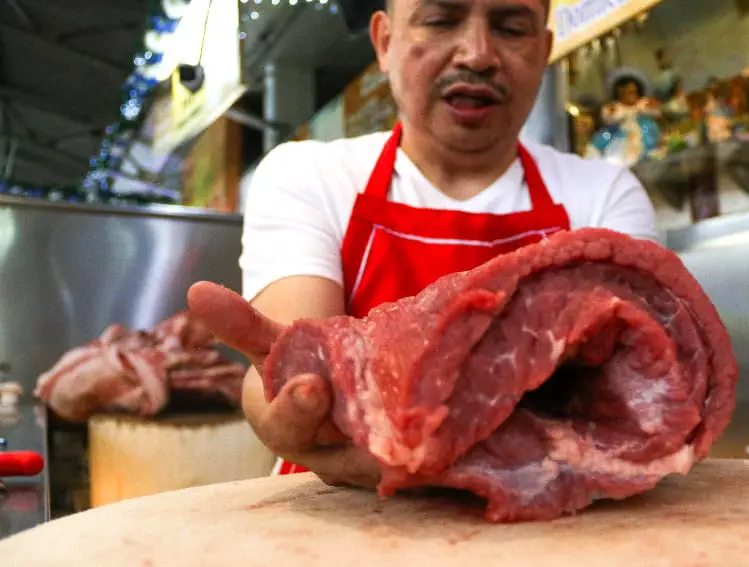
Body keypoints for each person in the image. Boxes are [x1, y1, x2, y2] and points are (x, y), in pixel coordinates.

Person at [187, 0, 659, 489]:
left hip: (550, 515)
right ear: (385, 42)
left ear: (543, 50)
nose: (477, 55)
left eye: (511, 27)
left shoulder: (603, 194)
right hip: (342, 513)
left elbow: (629, 389)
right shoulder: (311, 176)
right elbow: (293, 361)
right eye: (441, 20)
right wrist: (280, 397)